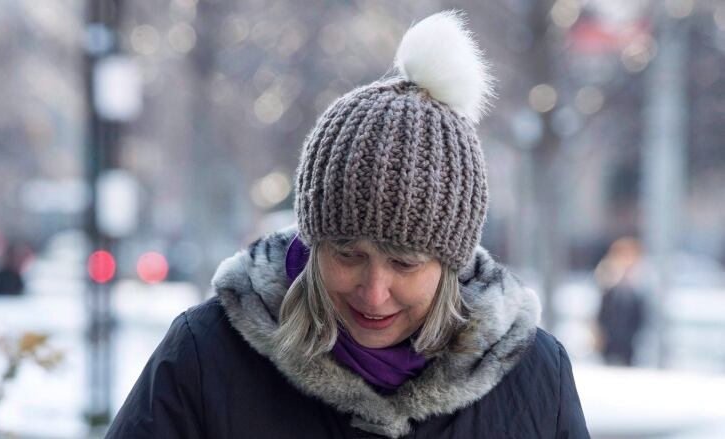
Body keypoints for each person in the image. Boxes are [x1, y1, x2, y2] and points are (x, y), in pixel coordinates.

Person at [106, 11, 589, 438]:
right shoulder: (205, 356)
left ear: (450, 263)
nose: (374, 292)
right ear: (313, 242)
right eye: (347, 254)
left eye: (404, 262)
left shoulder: (534, 377)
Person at [595, 237, 648, 366]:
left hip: (630, 345)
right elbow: (601, 313)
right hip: (609, 343)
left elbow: (642, 316)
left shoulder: (640, 284)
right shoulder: (607, 282)